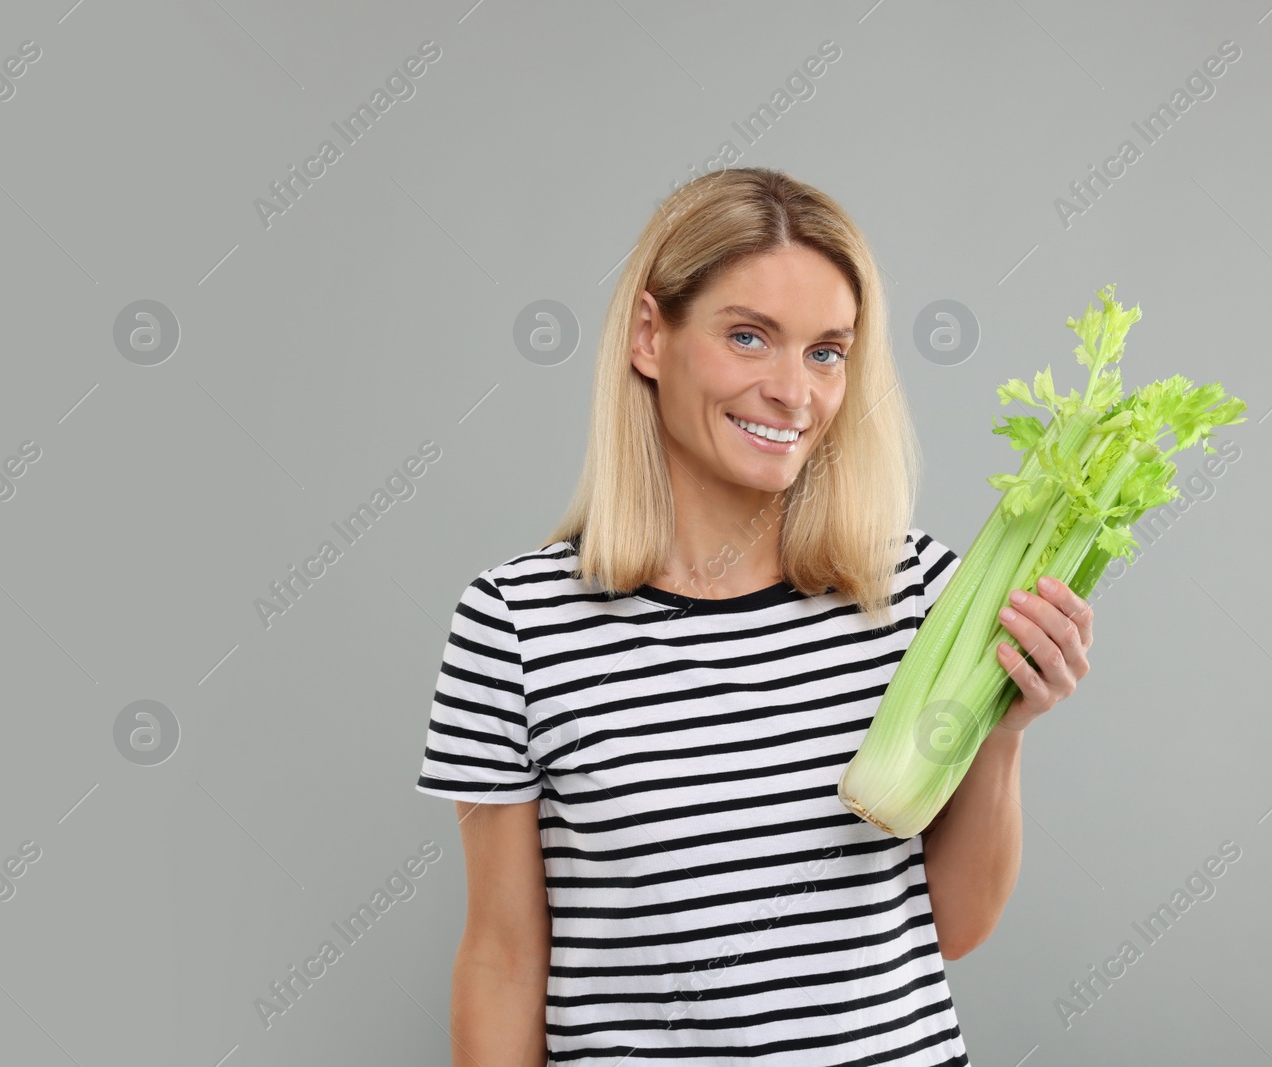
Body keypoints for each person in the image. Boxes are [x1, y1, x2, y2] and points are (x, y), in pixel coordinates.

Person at [413, 167, 1095, 1065]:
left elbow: (955, 929)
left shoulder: (921, 594)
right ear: (651, 336)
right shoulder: (517, 625)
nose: (793, 391)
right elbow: (503, 958)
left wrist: (1003, 733)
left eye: (826, 351)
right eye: (749, 337)